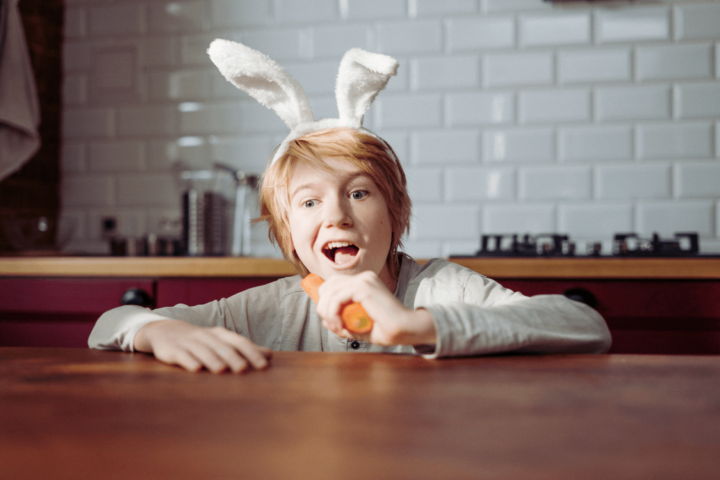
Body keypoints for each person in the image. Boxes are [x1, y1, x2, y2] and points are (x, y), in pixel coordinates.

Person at [88, 41, 611, 373]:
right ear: (289, 232)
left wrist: (416, 326)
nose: (336, 215)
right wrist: (158, 330)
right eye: (309, 201)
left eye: (359, 193)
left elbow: (585, 326)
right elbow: (108, 325)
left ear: (396, 213)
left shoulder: (441, 288)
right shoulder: (265, 310)